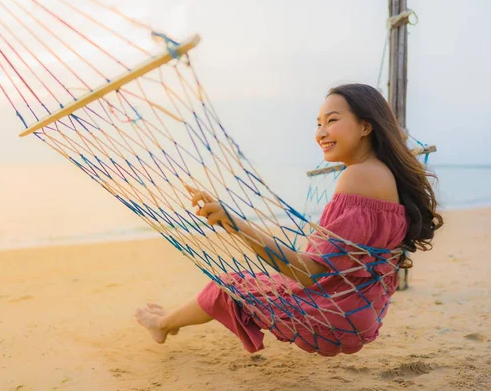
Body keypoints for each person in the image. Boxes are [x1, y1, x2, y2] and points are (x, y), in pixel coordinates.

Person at [135, 83, 444, 356]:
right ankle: (168, 322)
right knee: (248, 284)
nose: (321, 132)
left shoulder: (358, 176)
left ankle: (162, 324)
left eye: (332, 121)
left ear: (366, 127)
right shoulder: (384, 174)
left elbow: (306, 273)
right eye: (319, 123)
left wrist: (234, 223)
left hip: (337, 316)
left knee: (231, 284)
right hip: (362, 311)